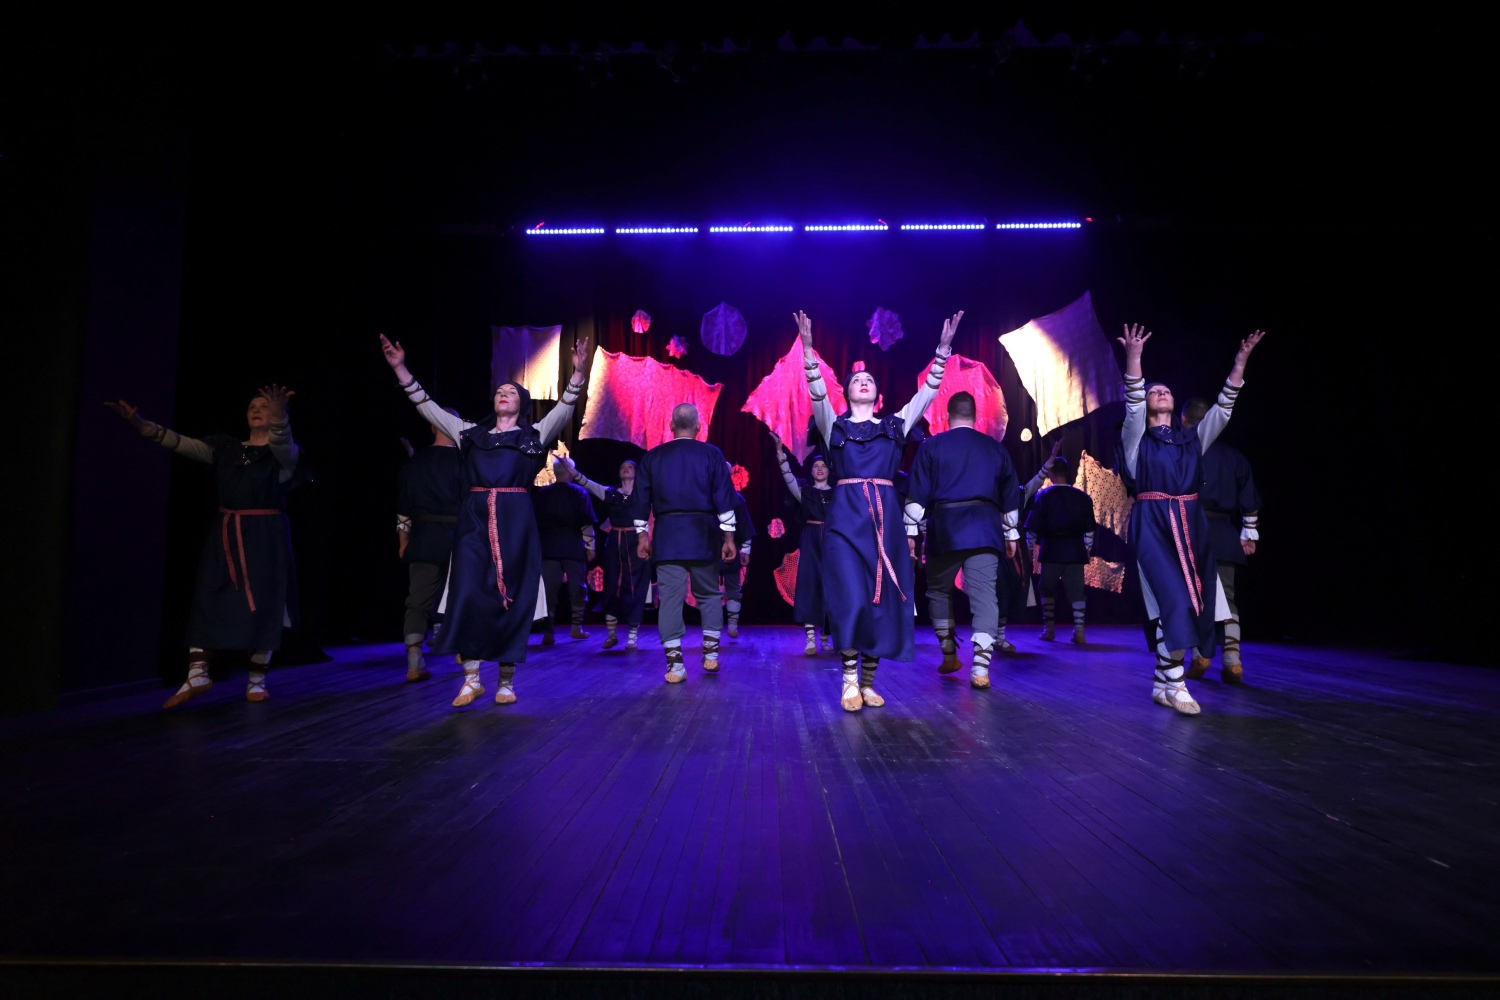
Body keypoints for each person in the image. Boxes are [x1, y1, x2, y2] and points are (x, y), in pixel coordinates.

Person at [379, 332, 592, 707]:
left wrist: (578, 373)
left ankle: (506, 681)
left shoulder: (533, 435)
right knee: (468, 592)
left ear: (521, 403)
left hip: (515, 520)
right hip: (474, 520)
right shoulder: (471, 434)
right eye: (499, 391)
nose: (503, 393)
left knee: (511, 596)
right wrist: (400, 369)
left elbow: (564, 409)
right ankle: (472, 678)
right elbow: (428, 407)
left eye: (510, 391)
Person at [799, 308, 959, 712]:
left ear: (877, 392)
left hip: (884, 523)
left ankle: (868, 682)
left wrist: (942, 352)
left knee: (881, 601)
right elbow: (817, 394)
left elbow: (926, 395)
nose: (864, 381)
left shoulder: (894, 426)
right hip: (845, 522)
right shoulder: (834, 426)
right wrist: (808, 351)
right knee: (852, 598)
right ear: (847, 392)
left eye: (869, 379)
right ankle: (849, 681)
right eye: (857, 380)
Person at [106, 386, 306, 707]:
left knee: (264, 602)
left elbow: (284, 447)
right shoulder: (226, 448)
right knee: (209, 594)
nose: (256, 409)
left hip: (265, 535)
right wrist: (141, 423)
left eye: (265, 406)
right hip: (226, 531)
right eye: (252, 406)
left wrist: (281, 416)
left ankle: (257, 680)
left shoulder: (285, 452)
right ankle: (197, 675)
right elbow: (182, 443)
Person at [1119, 323, 1264, 715]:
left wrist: (1240, 362)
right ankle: (1177, 683)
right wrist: (1135, 357)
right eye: (1154, 391)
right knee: (1173, 600)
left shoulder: (1191, 441)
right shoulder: (1136, 441)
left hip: (1190, 524)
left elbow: (1223, 410)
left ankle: (1161, 682)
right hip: (1153, 524)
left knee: (1190, 603)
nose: (1161, 393)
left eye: (1166, 390)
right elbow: (1132, 407)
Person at [903, 391, 1020, 690]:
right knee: (985, 597)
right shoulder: (995, 448)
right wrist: (1011, 534)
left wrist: (911, 534)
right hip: (985, 529)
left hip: (945, 529)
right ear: (976, 417)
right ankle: (980, 668)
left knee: (938, 592)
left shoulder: (931, 446)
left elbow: (916, 496)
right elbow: (1010, 495)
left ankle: (949, 654)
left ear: (946, 417)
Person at [631, 404, 738, 683]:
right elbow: (725, 499)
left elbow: (640, 501)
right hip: (703, 534)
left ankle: (675, 666)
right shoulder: (712, 454)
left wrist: (642, 536)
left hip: (668, 536)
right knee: (709, 594)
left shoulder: (652, 457)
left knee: (669, 599)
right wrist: (729, 538)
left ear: (671, 426)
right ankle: (711, 654)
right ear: (698, 427)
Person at [1181, 399, 1262, 683]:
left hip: (1192, 531)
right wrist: (1248, 533)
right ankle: (1232, 660)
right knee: (1227, 598)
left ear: (1184, 421)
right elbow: (1250, 500)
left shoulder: (1182, 452)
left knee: (1193, 597)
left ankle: (1200, 655)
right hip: (1225, 534)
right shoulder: (1234, 456)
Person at [396, 415, 462, 681]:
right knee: (464, 594)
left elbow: (403, 509)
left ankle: (414, 660)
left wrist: (403, 541)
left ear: (433, 427)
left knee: (418, 601)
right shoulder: (467, 461)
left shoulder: (414, 463)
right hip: (460, 537)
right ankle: (463, 650)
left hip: (424, 537)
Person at [573, 460, 651, 649]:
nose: (626, 469)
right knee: (611, 585)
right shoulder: (612, 493)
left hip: (636, 541)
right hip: (615, 543)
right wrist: (572, 471)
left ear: (636, 472)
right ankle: (612, 634)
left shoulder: (644, 494)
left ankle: (632, 636)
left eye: (630, 467)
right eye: (622, 466)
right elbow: (588, 484)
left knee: (635, 586)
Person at [1025, 456, 1097, 643]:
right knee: (1077, 592)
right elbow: (1089, 530)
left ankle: (1049, 630)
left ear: (1050, 473)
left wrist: (1028, 550)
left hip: (1052, 551)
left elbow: (1032, 529)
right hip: (1075, 551)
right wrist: (1087, 549)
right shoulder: (1082, 498)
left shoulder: (1043, 496)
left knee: (1047, 589)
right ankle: (1079, 631)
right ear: (1067, 472)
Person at [773, 433, 833, 654]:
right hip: (810, 540)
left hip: (832, 541)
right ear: (811, 471)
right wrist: (780, 454)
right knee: (809, 585)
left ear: (829, 470)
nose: (819, 469)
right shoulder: (805, 493)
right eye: (816, 466)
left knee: (831, 587)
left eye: (823, 466)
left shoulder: (838, 493)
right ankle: (810, 638)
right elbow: (789, 478)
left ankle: (825, 636)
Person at [533, 455, 598, 644]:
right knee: (577, 589)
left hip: (549, 547)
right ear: (570, 472)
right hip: (572, 546)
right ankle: (576, 628)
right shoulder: (579, 493)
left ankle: (549, 631)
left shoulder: (542, 494)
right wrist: (590, 546)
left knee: (550, 590)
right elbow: (586, 523)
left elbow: (534, 523)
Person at [718, 462, 757, 640]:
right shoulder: (705, 497)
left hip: (731, 549)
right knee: (708, 589)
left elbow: (744, 525)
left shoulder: (736, 498)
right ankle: (712, 627)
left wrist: (746, 550)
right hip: (710, 550)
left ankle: (732, 625)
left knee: (733, 586)